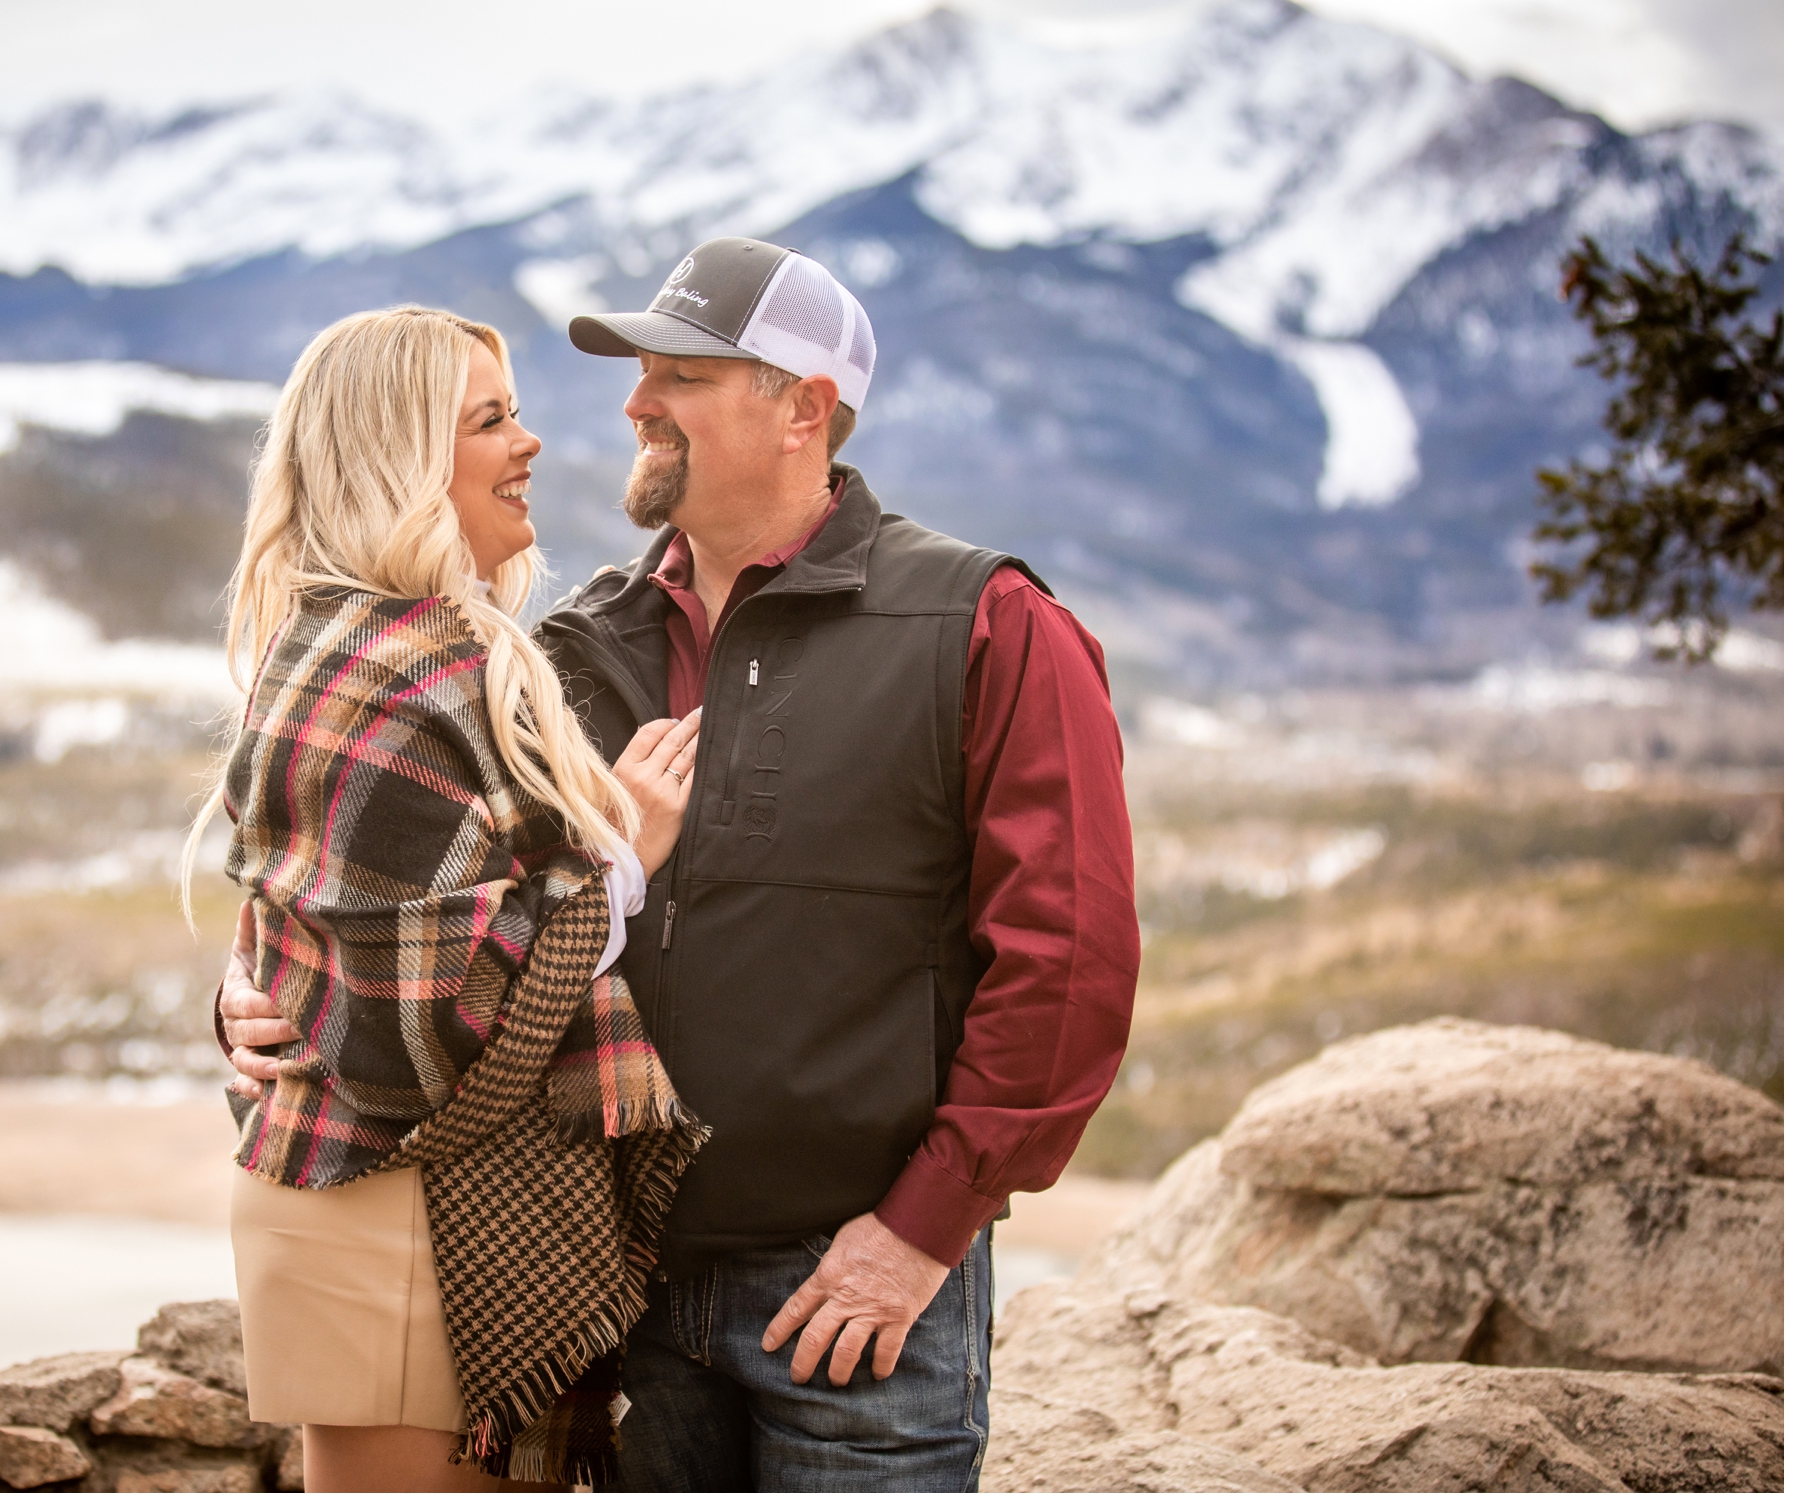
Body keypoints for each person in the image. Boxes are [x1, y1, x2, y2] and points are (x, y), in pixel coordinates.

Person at [225, 241, 1140, 1491]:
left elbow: (1067, 963)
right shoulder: (560, 651)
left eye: (680, 375)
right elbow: (370, 877)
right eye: (638, 370)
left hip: (852, 1300)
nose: (633, 403)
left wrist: (922, 1231)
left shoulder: (984, 626)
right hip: (617, 1304)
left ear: (803, 407)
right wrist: (255, 998)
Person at [192, 305, 709, 1491]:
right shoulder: (404, 662)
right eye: (490, 420)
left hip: (401, 1204)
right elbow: (420, 1020)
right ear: (404, 458)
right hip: (394, 1218)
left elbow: (329, 927)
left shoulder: (361, 639)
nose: (527, 442)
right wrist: (622, 854)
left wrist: (252, 991)